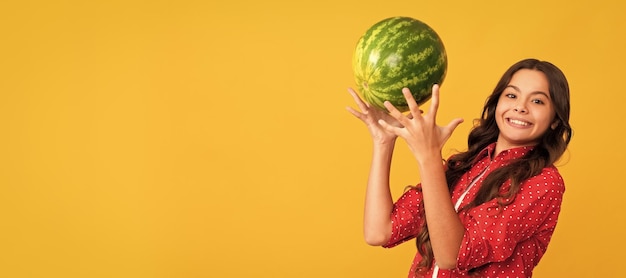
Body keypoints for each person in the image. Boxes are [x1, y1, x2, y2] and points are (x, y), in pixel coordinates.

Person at [346, 58, 572, 277]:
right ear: (496, 105)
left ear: (554, 119)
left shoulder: (544, 182)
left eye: (538, 101)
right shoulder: (464, 166)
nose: (520, 107)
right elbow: (380, 231)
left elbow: (452, 255)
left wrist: (429, 157)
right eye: (511, 95)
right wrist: (384, 141)